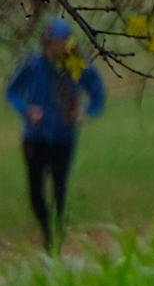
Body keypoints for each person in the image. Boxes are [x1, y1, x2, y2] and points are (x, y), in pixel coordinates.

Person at [11, 13, 105, 251]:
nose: (57, 48)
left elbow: (98, 94)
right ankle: (47, 229)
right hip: (35, 137)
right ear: (46, 42)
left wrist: (85, 112)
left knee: (59, 188)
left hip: (64, 137)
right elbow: (12, 92)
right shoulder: (32, 64)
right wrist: (26, 110)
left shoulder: (78, 66)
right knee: (36, 192)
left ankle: (56, 237)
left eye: (62, 43)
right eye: (54, 43)